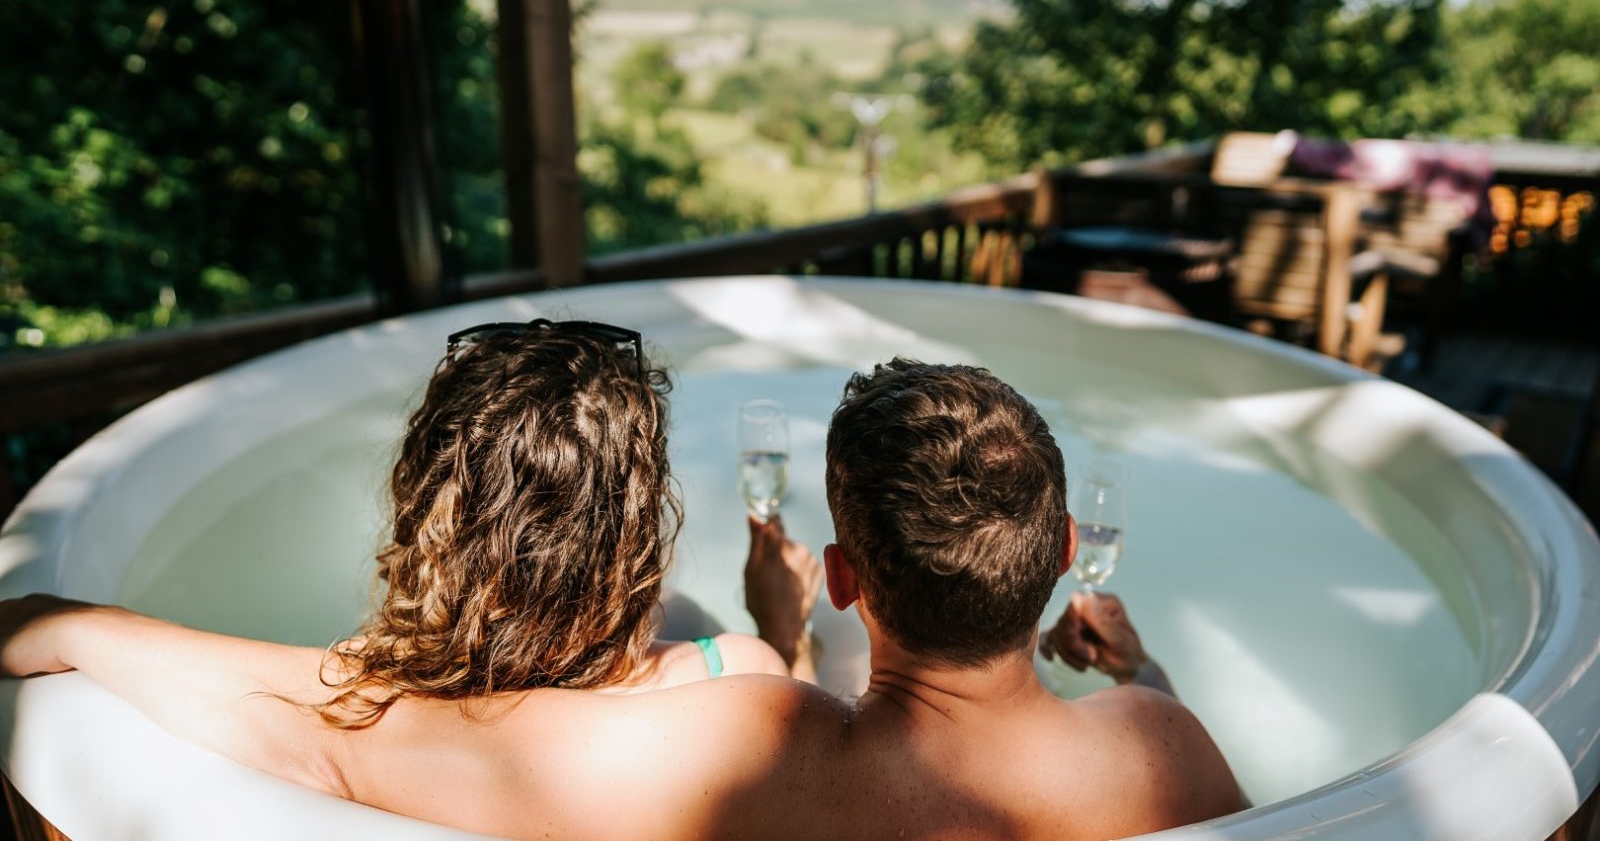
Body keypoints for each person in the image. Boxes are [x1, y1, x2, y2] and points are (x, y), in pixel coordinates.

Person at [1, 357, 1243, 839]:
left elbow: (347, 736)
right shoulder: (1160, 752)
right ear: (1063, 547)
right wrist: (1135, 671)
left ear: (851, 578)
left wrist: (73, 625)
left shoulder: (748, 747)